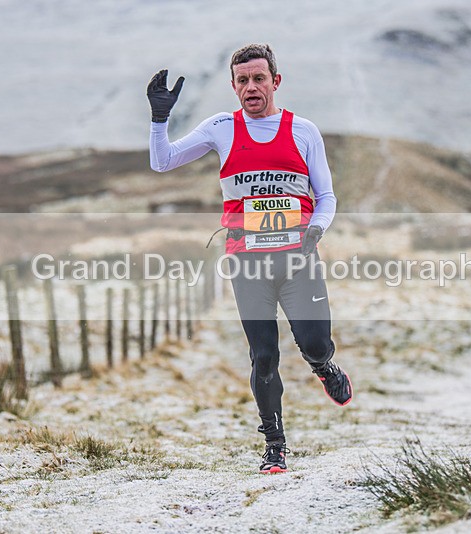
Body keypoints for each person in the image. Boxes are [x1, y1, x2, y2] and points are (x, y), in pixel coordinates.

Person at [147, 43, 352, 474]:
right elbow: (162, 163)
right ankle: (274, 444)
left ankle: (322, 365)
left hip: (298, 257)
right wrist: (159, 119)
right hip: (247, 260)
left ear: (275, 82)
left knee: (313, 341)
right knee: (263, 356)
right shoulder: (221, 127)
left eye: (259, 78)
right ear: (234, 86)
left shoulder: (303, 130)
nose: (251, 87)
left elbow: (327, 195)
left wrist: (317, 229)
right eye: (243, 81)